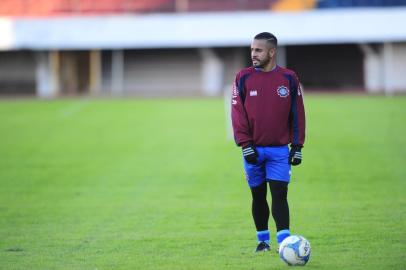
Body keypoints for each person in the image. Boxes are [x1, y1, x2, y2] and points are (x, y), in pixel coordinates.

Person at [231, 32, 306, 252]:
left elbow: (298, 114)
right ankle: (263, 241)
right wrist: (245, 145)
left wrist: (297, 146)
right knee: (258, 195)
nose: (253, 54)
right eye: (252, 49)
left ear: (272, 52)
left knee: (280, 194)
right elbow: (237, 114)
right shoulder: (243, 77)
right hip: (253, 149)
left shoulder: (289, 78)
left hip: (279, 151)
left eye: (258, 50)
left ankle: (285, 242)